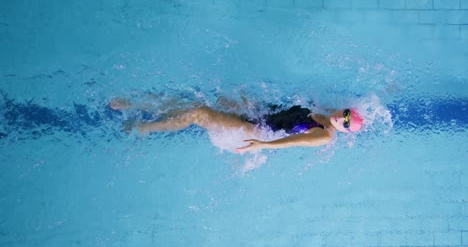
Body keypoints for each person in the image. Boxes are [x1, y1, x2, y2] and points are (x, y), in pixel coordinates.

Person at [109, 98, 364, 153]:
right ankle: (139, 104)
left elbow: (293, 141)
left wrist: (262, 144)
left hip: (254, 132)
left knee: (198, 114)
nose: (341, 119)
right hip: (258, 117)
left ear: (344, 131)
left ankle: (142, 129)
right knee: (199, 104)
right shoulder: (322, 111)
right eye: (345, 114)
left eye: (346, 123)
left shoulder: (325, 135)